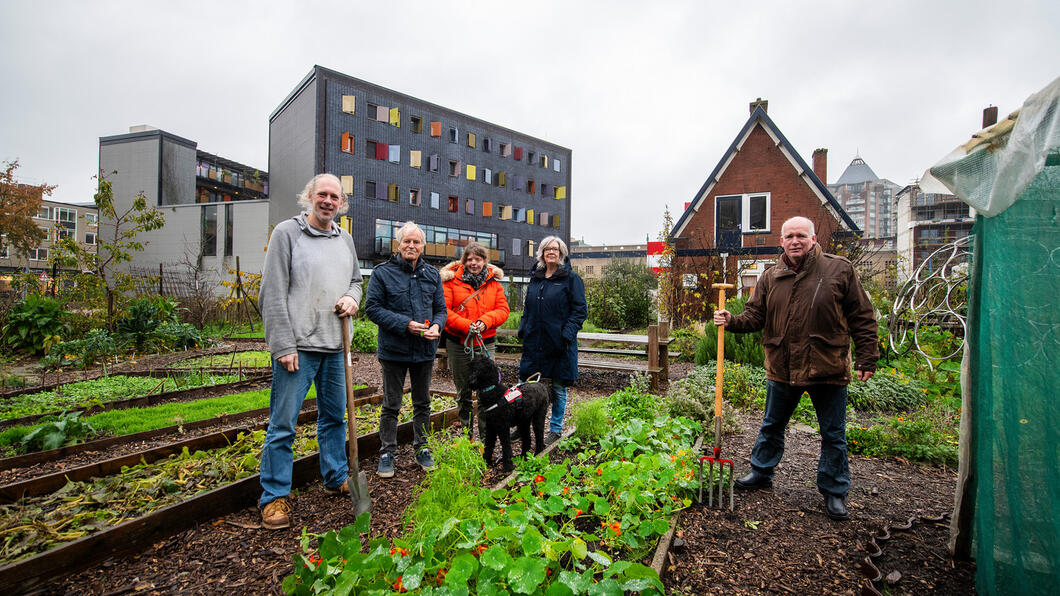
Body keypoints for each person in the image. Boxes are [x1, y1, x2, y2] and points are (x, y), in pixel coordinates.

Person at [713, 216, 878, 521]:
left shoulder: (839, 269)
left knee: (833, 433)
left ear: (813, 239)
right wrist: (731, 320)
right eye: (789, 236)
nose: (795, 241)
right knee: (772, 424)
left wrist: (868, 357)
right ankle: (761, 472)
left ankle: (835, 490)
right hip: (783, 365)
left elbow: (862, 316)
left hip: (826, 366)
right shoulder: (771, 276)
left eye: (801, 235)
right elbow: (754, 316)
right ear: (782, 241)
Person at [258, 173, 362, 530]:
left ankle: (335, 476)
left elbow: (356, 281)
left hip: (336, 346)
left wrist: (352, 297)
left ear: (342, 203)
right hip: (298, 348)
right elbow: (271, 293)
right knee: (283, 425)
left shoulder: (344, 238)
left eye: (335, 196)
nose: (328, 201)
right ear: (309, 196)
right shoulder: (287, 234)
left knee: (335, 419)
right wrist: (282, 344)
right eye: (322, 194)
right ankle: (274, 497)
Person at [364, 221, 446, 478]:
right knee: (391, 404)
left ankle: (422, 447)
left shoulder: (432, 275)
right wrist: (404, 324)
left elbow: (441, 310)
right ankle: (387, 452)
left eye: (416, 242)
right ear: (398, 245)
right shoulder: (382, 273)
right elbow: (373, 309)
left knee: (423, 402)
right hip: (394, 350)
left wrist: (436, 326)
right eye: (406, 241)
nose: (411, 246)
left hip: (424, 350)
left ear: (422, 246)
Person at [517, 236, 587, 445]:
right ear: (541, 253)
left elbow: (579, 311)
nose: (551, 252)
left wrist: (566, 334)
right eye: (547, 249)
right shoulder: (536, 278)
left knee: (557, 386)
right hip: (534, 340)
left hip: (558, 343)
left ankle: (555, 429)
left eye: (555, 249)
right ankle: (522, 426)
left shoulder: (571, 279)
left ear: (562, 253)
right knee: (525, 385)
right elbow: (528, 307)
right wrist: (523, 328)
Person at [440, 242, 510, 438]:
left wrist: (484, 322)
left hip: (485, 342)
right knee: (463, 392)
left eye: (477, 259)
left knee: (487, 390)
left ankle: (486, 437)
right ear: (464, 261)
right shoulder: (451, 282)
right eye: (469, 259)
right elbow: (443, 311)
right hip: (458, 343)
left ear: (484, 261)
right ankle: (468, 436)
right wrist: (466, 325)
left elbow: (503, 310)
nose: (473, 263)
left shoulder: (493, 284)